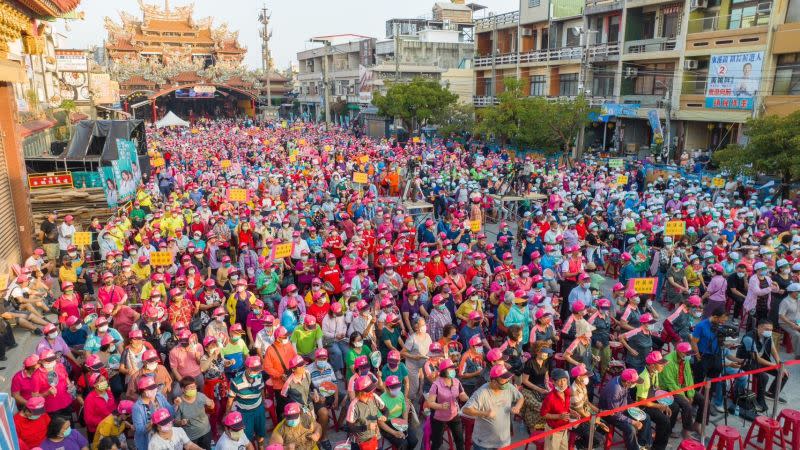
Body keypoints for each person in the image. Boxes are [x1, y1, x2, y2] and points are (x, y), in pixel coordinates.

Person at [462, 364, 523, 450]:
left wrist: (517, 407)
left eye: (508, 379)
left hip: (503, 442)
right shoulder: (481, 393)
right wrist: (485, 413)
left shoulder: (509, 387)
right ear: (494, 381)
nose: (507, 382)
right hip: (484, 444)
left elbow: (520, 397)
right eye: (504, 379)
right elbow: (466, 410)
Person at [737, 319, 790, 411]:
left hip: (761, 361)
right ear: (759, 327)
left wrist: (779, 365)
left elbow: (774, 351)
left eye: (771, 329)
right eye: (767, 329)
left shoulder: (768, 336)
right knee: (764, 377)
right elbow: (756, 358)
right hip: (746, 362)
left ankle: (771, 393)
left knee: (784, 373)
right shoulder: (749, 338)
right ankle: (760, 400)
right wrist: (774, 365)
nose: (769, 331)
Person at [658, 342, 704, 439]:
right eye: (686, 354)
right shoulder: (668, 361)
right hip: (669, 389)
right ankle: (686, 430)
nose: (688, 356)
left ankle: (697, 424)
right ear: (678, 351)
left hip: (681, 387)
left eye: (689, 354)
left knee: (703, 400)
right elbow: (670, 383)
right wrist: (684, 396)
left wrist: (690, 394)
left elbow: (689, 377)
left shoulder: (685, 359)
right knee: (686, 405)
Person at [599, 368, 653, 450]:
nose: (636, 384)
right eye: (635, 382)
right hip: (610, 414)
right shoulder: (615, 390)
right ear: (628, 382)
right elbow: (616, 414)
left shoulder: (623, 381)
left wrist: (633, 405)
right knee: (630, 429)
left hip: (622, 408)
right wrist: (633, 421)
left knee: (646, 417)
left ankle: (644, 445)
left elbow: (627, 396)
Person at [425, 359, 468, 450]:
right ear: (444, 371)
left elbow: (462, 394)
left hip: (454, 414)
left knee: (460, 439)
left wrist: (466, 398)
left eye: (453, 369)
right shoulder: (436, 385)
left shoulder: (456, 381)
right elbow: (430, 403)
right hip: (439, 418)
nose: (453, 371)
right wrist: (440, 406)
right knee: (437, 443)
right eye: (450, 369)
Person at [634, 352, 671, 450]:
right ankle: (658, 447)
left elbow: (656, 388)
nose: (663, 365)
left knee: (673, 407)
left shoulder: (655, 372)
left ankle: (661, 436)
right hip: (642, 406)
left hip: (652, 400)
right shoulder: (644, 377)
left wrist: (664, 402)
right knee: (665, 420)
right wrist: (660, 406)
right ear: (652, 365)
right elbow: (642, 402)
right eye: (660, 364)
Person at [226, 356, 267, 446]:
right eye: (254, 369)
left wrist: (263, 402)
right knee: (247, 438)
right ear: (247, 368)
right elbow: (230, 399)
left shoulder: (259, 375)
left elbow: (262, 389)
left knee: (260, 435)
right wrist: (226, 415)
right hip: (245, 413)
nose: (257, 372)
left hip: (259, 409)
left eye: (258, 369)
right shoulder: (236, 382)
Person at [174, 376, 214, 450]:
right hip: (191, 437)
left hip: (205, 431)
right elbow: (175, 422)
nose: (193, 389)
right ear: (183, 389)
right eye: (190, 387)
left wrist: (211, 404)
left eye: (194, 387)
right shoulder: (179, 402)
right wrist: (181, 422)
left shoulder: (200, 396)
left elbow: (211, 406)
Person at [540, 368, 575, 450]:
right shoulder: (550, 397)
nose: (562, 383)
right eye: (559, 381)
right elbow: (543, 414)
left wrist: (571, 411)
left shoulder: (567, 392)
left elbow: (564, 407)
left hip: (564, 429)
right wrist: (559, 417)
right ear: (554, 382)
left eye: (564, 380)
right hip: (553, 431)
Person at [379, 375, 417, 450]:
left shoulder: (401, 394)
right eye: (393, 388)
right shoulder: (381, 400)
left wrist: (405, 423)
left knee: (413, 441)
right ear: (386, 388)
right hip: (387, 423)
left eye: (398, 387)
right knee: (403, 444)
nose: (396, 390)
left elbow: (404, 410)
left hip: (400, 420)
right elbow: (380, 422)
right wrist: (394, 433)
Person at [778, 282, 800, 360]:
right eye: (798, 292)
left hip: (797, 321)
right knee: (797, 335)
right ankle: (798, 354)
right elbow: (781, 315)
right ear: (792, 292)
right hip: (785, 322)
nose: (799, 293)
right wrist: (792, 324)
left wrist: (797, 324)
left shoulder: (798, 299)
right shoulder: (785, 301)